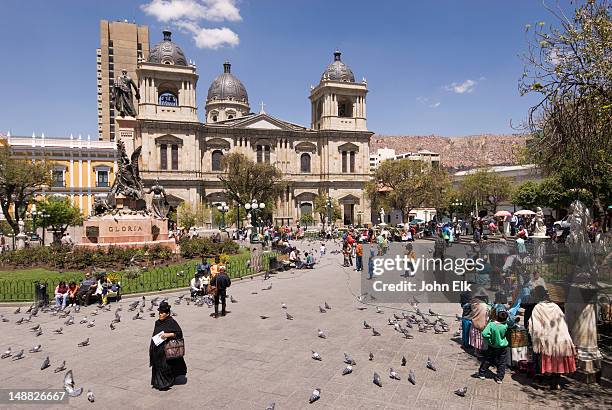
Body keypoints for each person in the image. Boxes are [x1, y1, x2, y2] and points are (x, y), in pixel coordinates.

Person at [528, 286, 576, 390]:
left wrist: (537, 340)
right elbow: (563, 320)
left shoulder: (538, 307)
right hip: (561, 337)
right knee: (558, 361)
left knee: (550, 361)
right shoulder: (555, 306)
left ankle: (548, 382)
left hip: (549, 339)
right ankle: (556, 382)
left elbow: (535, 326)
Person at [149, 301, 187, 390]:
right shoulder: (157, 322)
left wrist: (168, 335)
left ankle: (164, 383)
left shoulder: (171, 322)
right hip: (157, 348)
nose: (160, 315)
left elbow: (179, 334)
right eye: (159, 313)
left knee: (164, 365)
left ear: (168, 314)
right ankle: (158, 382)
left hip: (167, 348)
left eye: (162, 313)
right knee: (157, 364)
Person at [478, 309, 509, 384]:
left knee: (488, 360)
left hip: (492, 346)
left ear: (497, 317)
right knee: (502, 362)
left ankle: (482, 374)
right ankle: (499, 378)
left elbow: (484, 334)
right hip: (503, 347)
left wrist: (489, 340)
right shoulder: (505, 325)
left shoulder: (491, 324)